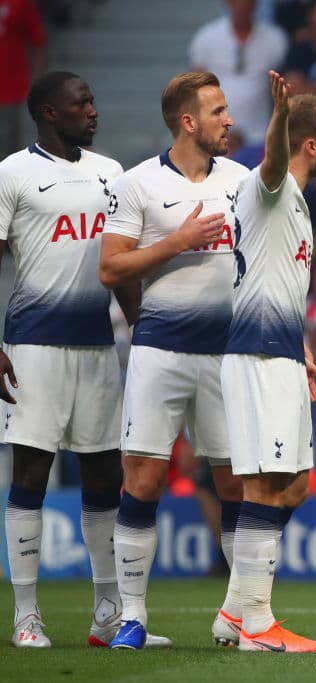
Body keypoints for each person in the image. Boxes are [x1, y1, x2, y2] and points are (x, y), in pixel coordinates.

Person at [98, 72, 250, 650]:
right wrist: (176, 242)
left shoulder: (243, 180)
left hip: (227, 352)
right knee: (144, 476)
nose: (228, 120)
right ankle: (132, 618)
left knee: (234, 482)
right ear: (188, 122)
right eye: (217, 111)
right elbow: (111, 269)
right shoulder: (135, 184)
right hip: (159, 348)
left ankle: (238, 614)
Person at [0, 71, 136, 649]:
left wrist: (142, 328)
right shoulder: (12, 173)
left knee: (105, 474)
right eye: (81, 103)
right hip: (32, 344)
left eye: (93, 99)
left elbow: (125, 260)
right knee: (31, 473)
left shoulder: (112, 174)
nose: (93, 110)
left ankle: (108, 613)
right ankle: (26, 616)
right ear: (48, 113)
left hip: (96, 344)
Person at [223, 71, 316, 653]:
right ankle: (258, 627)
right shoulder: (267, 185)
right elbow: (273, 162)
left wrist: (301, 344)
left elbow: (276, 281)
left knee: (294, 487)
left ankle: (232, 611)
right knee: (264, 488)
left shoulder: (296, 206)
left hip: (283, 355)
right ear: (310, 144)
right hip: (257, 358)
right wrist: (277, 117)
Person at [189, 0, 288, 148]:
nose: (242, 5)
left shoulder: (275, 39)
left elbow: (282, 90)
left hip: (260, 137)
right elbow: (196, 93)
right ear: (228, 3)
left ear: (255, 4)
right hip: (215, 136)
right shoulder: (206, 38)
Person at [0, 0, 46, 158]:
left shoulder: (19, 4)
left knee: (7, 139)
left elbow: (37, 39)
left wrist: (39, 81)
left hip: (10, 84)